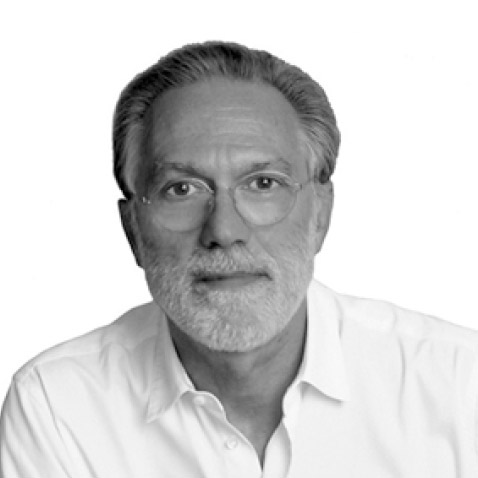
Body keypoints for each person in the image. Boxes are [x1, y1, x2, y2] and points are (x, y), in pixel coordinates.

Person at [1, 41, 477, 478]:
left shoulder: (459, 384)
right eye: (181, 189)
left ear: (321, 214)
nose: (224, 231)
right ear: (132, 230)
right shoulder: (58, 408)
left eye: (263, 184)